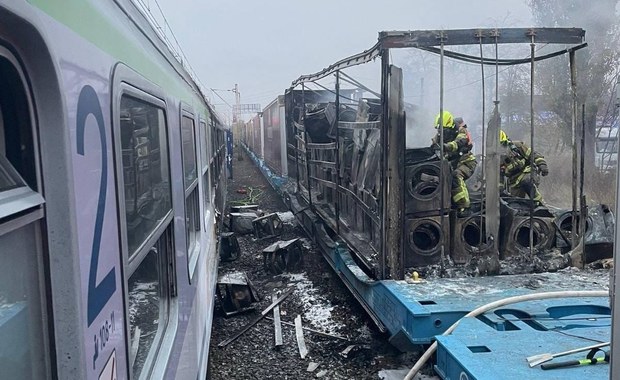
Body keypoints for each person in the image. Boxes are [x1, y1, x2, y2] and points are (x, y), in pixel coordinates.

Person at [431, 111, 477, 217]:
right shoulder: (439, 135)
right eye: (439, 129)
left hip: (467, 162)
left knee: (456, 176)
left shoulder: (461, 131)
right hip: (452, 164)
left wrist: (446, 146)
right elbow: (434, 146)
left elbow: (458, 143)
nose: (442, 132)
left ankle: (465, 207)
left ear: (450, 126)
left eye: (444, 130)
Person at [499, 130, 549, 206]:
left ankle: (541, 203)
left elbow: (533, 155)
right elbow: (499, 175)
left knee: (527, 181)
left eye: (503, 145)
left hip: (527, 172)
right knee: (516, 204)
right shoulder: (495, 158)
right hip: (514, 181)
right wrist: (500, 189)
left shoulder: (517, 146)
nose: (502, 148)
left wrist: (542, 165)